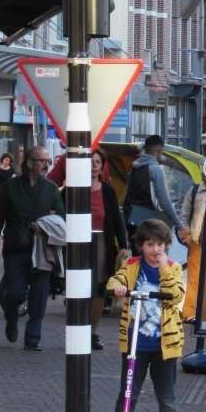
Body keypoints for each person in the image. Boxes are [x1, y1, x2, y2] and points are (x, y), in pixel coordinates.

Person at [105, 219, 189, 412]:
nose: (155, 250)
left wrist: (163, 269)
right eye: (150, 244)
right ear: (141, 246)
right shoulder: (132, 266)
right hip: (135, 343)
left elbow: (175, 295)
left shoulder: (172, 268)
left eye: (160, 245)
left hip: (164, 345)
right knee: (128, 392)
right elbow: (115, 281)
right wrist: (118, 287)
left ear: (166, 246)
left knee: (167, 395)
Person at [0, 146, 65, 350]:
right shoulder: (12, 186)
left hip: (42, 248)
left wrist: (45, 225)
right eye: (43, 161)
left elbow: (62, 217)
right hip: (16, 246)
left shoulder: (50, 188)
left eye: (48, 161)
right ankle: (11, 318)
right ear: (30, 163)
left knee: (39, 295)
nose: (46, 165)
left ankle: (33, 339)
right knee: (14, 291)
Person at [85, 149, 131, 350]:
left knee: (98, 291)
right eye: (91, 161)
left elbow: (117, 218)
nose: (94, 165)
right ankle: (77, 328)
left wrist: (123, 246)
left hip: (102, 247)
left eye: (98, 162)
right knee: (79, 291)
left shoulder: (107, 190)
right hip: (79, 248)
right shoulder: (73, 189)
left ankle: (92, 333)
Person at [124, 135, 189, 248]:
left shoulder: (134, 168)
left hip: (131, 219)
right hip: (147, 223)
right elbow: (165, 202)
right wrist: (180, 226)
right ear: (160, 151)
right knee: (152, 256)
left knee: (136, 259)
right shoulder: (155, 170)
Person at [179, 173, 206, 323]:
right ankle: (189, 312)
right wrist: (185, 236)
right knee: (194, 278)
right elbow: (184, 215)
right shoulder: (195, 190)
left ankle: (205, 313)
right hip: (196, 242)